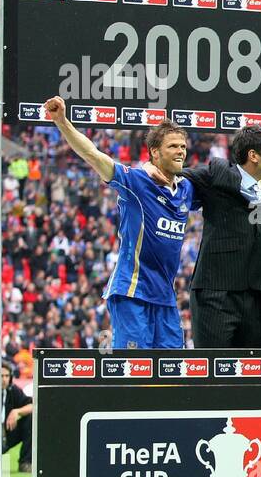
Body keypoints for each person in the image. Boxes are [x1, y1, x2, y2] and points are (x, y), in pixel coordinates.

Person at [42, 96, 193, 349]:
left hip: (165, 297)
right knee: (135, 374)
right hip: (132, 292)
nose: (181, 151)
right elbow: (92, 154)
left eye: (183, 146)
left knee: (172, 375)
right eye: (173, 146)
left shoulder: (187, 188)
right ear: (155, 152)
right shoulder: (135, 181)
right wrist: (62, 122)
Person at [183, 124, 261, 347]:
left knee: (249, 376)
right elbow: (178, 175)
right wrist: (150, 168)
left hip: (253, 297)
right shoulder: (216, 176)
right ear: (253, 156)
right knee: (212, 373)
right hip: (215, 295)